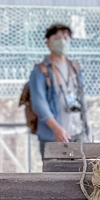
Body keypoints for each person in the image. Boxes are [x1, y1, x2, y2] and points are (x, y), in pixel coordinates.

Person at [27, 23, 88, 159]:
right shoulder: (41, 70)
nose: (63, 41)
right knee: (55, 176)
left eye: (66, 38)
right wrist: (56, 129)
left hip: (77, 132)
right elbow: (39, 103)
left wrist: (86, 128)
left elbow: (82, 98)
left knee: (80, 175)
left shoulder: (75, 67)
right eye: (57, 38)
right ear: (47, 42)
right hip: (53, 136)